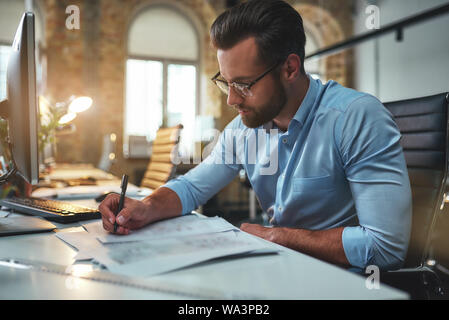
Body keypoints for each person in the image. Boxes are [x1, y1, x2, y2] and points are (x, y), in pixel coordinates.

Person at [99, 0, 412, 272]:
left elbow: (385, 247)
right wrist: (146, 207)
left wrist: (277, 236)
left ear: (290, 68)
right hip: (279, 267)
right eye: (227, 82)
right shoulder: (243, 129)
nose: (231, 100)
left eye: (244, 85)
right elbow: (192, 187)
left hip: (342, 281)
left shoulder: (356, 118)